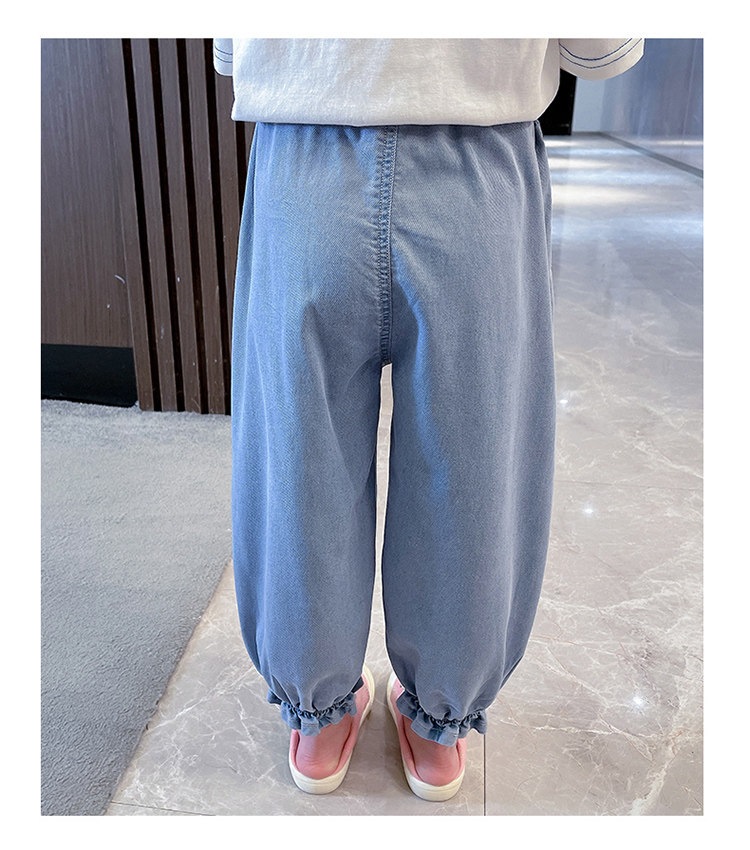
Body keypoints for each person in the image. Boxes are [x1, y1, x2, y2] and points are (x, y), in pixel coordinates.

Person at [214, 37, 644, 802]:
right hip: (476, 160)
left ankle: (317, 722)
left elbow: (226, 46)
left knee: (299, 457)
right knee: (470, 460)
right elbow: (600, 45)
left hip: (304, 152)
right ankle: (438, 727)